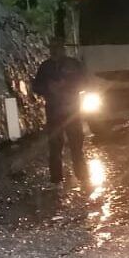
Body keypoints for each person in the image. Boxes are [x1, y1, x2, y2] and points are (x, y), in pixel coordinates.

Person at [32, 40, 89, 186]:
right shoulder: (45, 67)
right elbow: (36, 87)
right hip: (54, 112)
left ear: (63, 49)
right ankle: (56, 180)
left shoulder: (74, 65)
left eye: (57, 48)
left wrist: (67, 86)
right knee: (55, 147)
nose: (55, 51)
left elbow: (84, 82)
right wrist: (48, 88)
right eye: (53, 49)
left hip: (72, 111)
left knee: (76, 145)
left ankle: (82, 177)